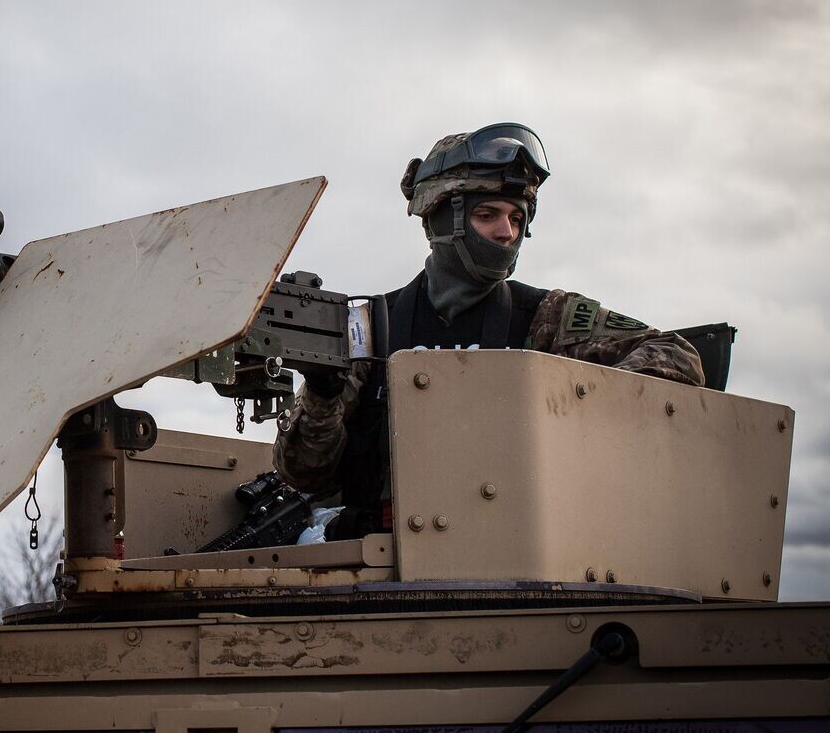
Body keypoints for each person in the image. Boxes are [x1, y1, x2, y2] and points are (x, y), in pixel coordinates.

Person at [273, 123, 705, 537]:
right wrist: (322, 395)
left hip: (514, 553)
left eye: (518, 219)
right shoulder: (368, 327)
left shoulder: (545, 315)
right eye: (488, 215)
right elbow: (303, 473)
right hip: (384, 558)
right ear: (439, 218)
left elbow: (677, 355)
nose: (507, 233)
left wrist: (565, 418)